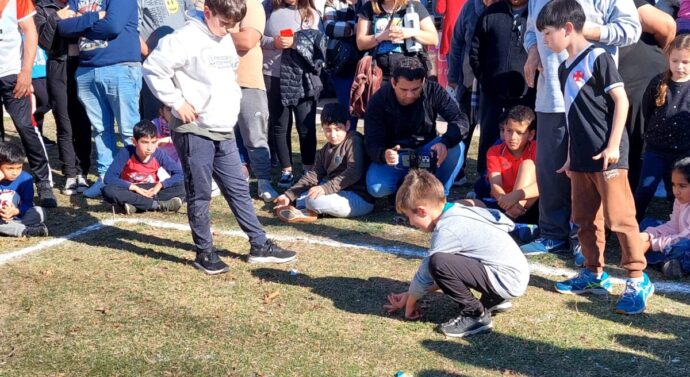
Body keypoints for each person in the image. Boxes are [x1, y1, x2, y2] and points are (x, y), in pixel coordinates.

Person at [143, 0, 297, 275]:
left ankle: (259, 245)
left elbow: (226, 78)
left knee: (238, 189)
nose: (228, 30)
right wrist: (176, 102)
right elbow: (153, 68)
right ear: (207, 12)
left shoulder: (224, 38)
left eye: (233, 25)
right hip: (195, 131)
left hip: (223, 129)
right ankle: (205, 252)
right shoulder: (182, 39)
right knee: (200, 194)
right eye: (224, 23)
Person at [537, 0, 652, 315]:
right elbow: (575, 117)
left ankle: (636, 279)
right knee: (585, 219)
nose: (545, 40)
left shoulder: (599, 56)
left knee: (620, 219)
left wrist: (614, 145)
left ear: (568, 29)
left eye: (548, 33)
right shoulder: (562, 68)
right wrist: (570, 156)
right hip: (581, 160)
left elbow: (621, 102)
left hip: (609, 157)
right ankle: (593, 273)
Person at [521, 0, 641, 258]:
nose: (547, 38)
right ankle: (552, 234)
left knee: (595, 181)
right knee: (550, 169)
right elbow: (531, 29)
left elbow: (632, 29)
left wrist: (587, 32)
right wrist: (532, 50)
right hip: (550, 94)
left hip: (593, 102)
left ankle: (585, 243)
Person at [383, 170, 529, 338]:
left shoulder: (448, 229)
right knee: (448, 261)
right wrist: (411, 293)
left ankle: (476, 315)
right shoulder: (459, 209)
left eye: (409, 216)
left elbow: (428, 271)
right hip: (512, 273)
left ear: (422, 211)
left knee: (438, 262)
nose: (410, 223)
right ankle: (494, 298)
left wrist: (410, 302)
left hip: (507, 279)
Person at [57, 0, 142, 198]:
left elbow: (113, 26)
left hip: (121, 66)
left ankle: (134, 177)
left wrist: (80, 25)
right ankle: (106, 177)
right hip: (87, 70)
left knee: (129, 129)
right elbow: (63, 27)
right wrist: (95, 17)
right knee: (100, 130)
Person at [364, 56, 468, 198]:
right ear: (393, 82)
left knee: (457, 147)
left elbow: (460, 119)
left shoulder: (433, 90)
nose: (409, 95)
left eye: (415, 89)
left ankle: (440, 195)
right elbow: (371, 141)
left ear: (423, 82)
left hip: (427, 149)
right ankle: (403, 192)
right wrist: (383, 154)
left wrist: (445, 142)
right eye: (404, 89)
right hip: (396, 156)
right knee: (377, 188)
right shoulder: (378, 100)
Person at [469, 0, 534, 184]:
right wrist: (485, 78)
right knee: (489, 137)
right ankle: (485, 182)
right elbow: (475, 50)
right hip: (493, 92)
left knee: (523, 140)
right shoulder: (491, 13)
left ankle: (522, 185)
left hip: (526, 94)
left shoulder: (536, 13)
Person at [0, 0, 57, 208]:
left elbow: (30, 33)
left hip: (12, 75)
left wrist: (26, 72)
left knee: (25, 127)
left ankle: (43, 183)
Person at [262, 0, 323, 188]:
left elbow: (319, 44)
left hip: (303, 77)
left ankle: (308, 168)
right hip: (274, 74)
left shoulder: (312, 13)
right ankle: (286, 169)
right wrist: (274, 42)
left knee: (306, 126)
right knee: (280, 125)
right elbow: (257, 38)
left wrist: (297, 42)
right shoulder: (267, 9)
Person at [274, 103, 373, 218]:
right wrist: (289, 195)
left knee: (312, 200)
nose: (333, 135)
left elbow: (354, 172)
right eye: (328, 130)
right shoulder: (325, 149)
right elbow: (313, 175)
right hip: (336, 192)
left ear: (347, 125)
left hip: (358, 197)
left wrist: (325, 189)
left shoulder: (354, 141)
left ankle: (308, 210)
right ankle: (303, 210)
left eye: (337, 129)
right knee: (305, 196)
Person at [35, 0, 93, 196]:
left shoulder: (82, 3)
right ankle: (70, 173)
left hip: (83, 64)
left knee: (83, 121)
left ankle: (83, 171)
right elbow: (43, 41)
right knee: (64, 121)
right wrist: (57, 18)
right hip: (58, 65)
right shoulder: (43, 8)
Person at [618, 0, 675, 190]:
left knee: (636, 150)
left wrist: (666, 61)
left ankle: (633, 208)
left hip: (641, 77)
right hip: (611, 79)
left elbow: (665, 26)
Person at [634, 35, 690, 222]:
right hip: (656, 151)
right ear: (668, 58)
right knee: (645, 189)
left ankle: (680, 227)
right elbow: (647, 109)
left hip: (684, 154)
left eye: (685, 62)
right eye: (675, 61)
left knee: (679, 192)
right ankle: (631, 228)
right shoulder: (659, 82)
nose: (679, 66)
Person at [461, 106, 539, 227]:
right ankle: (512, 222)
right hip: (504, 204)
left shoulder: (537, 149)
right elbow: (495, 186)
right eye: (509, 131)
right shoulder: (494, 151)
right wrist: (507, 201)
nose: (513, 137)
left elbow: (544, 186)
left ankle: (510, 219)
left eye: (519, 133)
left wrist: (516, 196)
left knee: (527, 165)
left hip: (529, 205)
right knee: (461, 204)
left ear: (531, 135)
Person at [231, 0, 278, 201]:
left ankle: (263, 182)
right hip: (217, 82)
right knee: (222, 137)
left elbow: (246, 41)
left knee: (255, 136)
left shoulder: (252, 5)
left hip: (247, 81)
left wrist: (212, 33)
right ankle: (230, 181)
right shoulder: (214, 5)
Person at [101, 121, 185, 215]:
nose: (149, 148)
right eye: (145, 142)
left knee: (186, 185)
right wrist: (134, 188)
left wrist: (161, 185)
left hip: (152, 190)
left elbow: (180, 173)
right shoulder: (127, 152)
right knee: (108, 190)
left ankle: (136, 206)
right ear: (134, 141)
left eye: (153, 142)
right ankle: (156, 206)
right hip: (132, 191)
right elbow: (109, 178)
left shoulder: (158, 153)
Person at [138, 0, 196, 121]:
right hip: (154, 70)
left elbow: (193, 21)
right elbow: (132, 30)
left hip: (182, 68)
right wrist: (152, 56)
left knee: (183, 117)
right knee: (155, 121)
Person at [355, 0, 438, 81]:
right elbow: (360, 43)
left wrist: (410, 32)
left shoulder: (414, 6)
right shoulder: (369, 7)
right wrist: (381, 36)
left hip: (410, 73)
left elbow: (433, 38)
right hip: (378, 74)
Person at [640, 157, 690, 278]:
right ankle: (668, 263)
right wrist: (646, 235)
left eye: (682, 186)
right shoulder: (680, 200)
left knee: (684, 247)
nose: (676, 191)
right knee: (646, 224)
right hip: (677, 239)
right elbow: (673, 226)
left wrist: (651, 244)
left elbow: (686, 236)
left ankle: (656, 259)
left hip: (685, 242)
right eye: (673, 185)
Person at [323, 0, 360, 128]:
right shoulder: (332, 3)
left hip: (368, 62)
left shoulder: (370, 3)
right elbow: (329, 27)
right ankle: (347, 143)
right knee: (347, 109)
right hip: (343, 64)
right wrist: (358, 27)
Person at [0, 142, 49, 238]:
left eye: (19, 168)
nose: (15, 172)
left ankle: (11, 228)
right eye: (10, 168)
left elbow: (28, 204)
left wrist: (15, 211)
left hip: (19, 217)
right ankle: (25, 231)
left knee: (39, 211)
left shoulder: (26, 179)